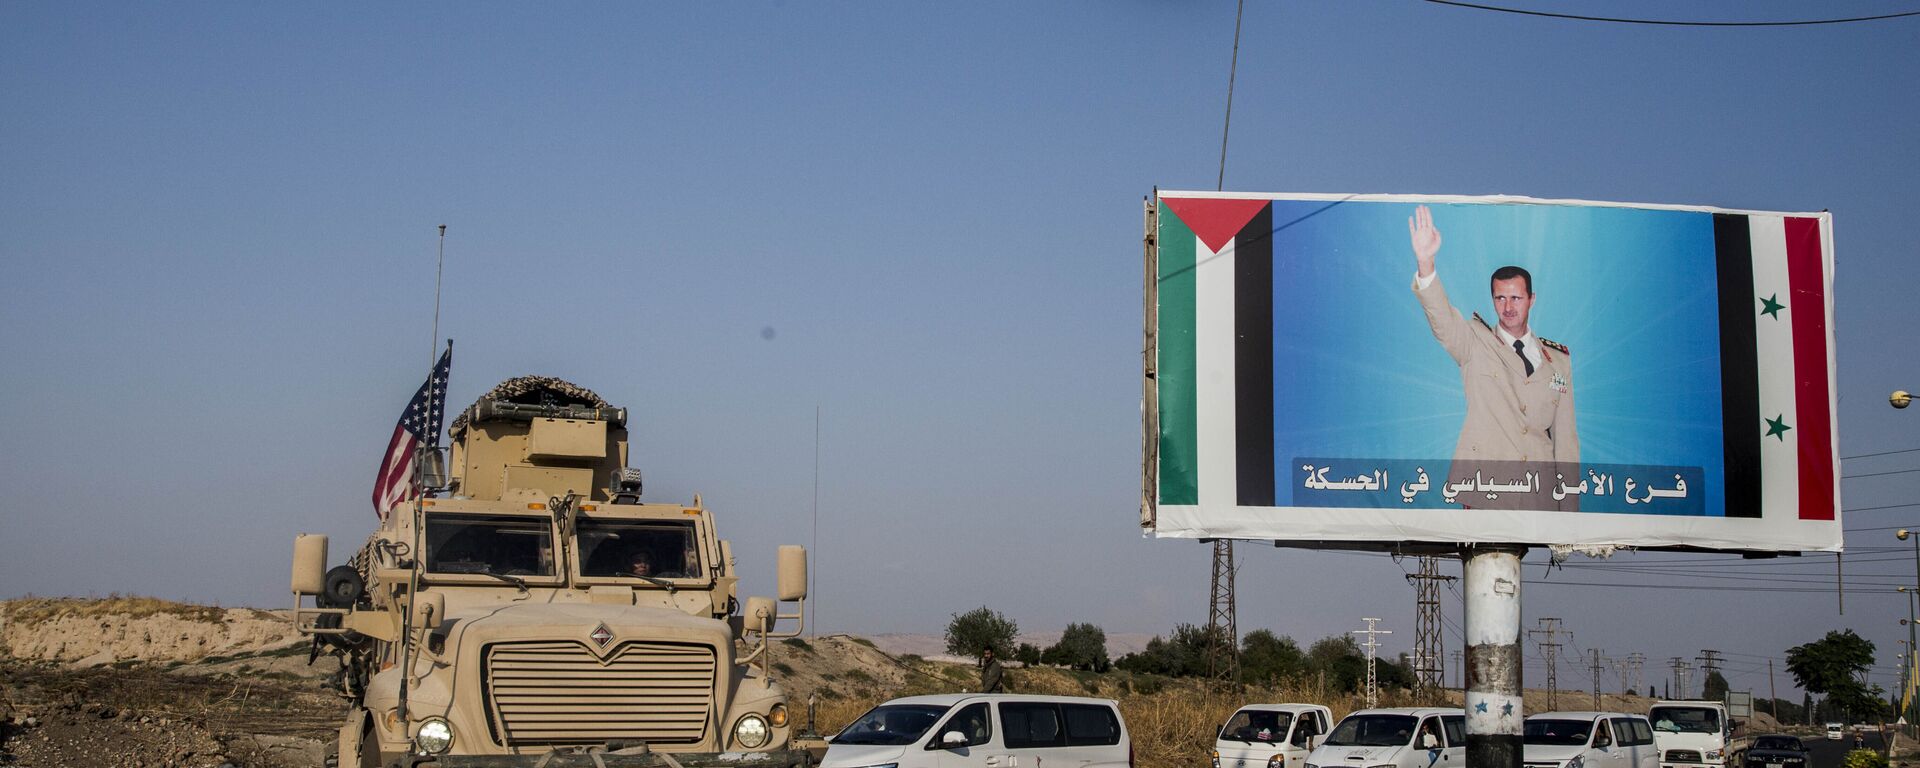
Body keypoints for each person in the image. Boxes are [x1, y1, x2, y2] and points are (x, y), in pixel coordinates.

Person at [1407, 204, 1579, 509]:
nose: (1508, 306)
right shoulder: (1474, 341)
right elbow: (1442, 319)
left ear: (1531, 300)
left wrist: (1570, 518)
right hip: (1484, 489)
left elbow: (1565, 442)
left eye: (1516, 298)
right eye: (1500, 298)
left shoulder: (1558, 361)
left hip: (1539, 497)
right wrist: (1426, 263)